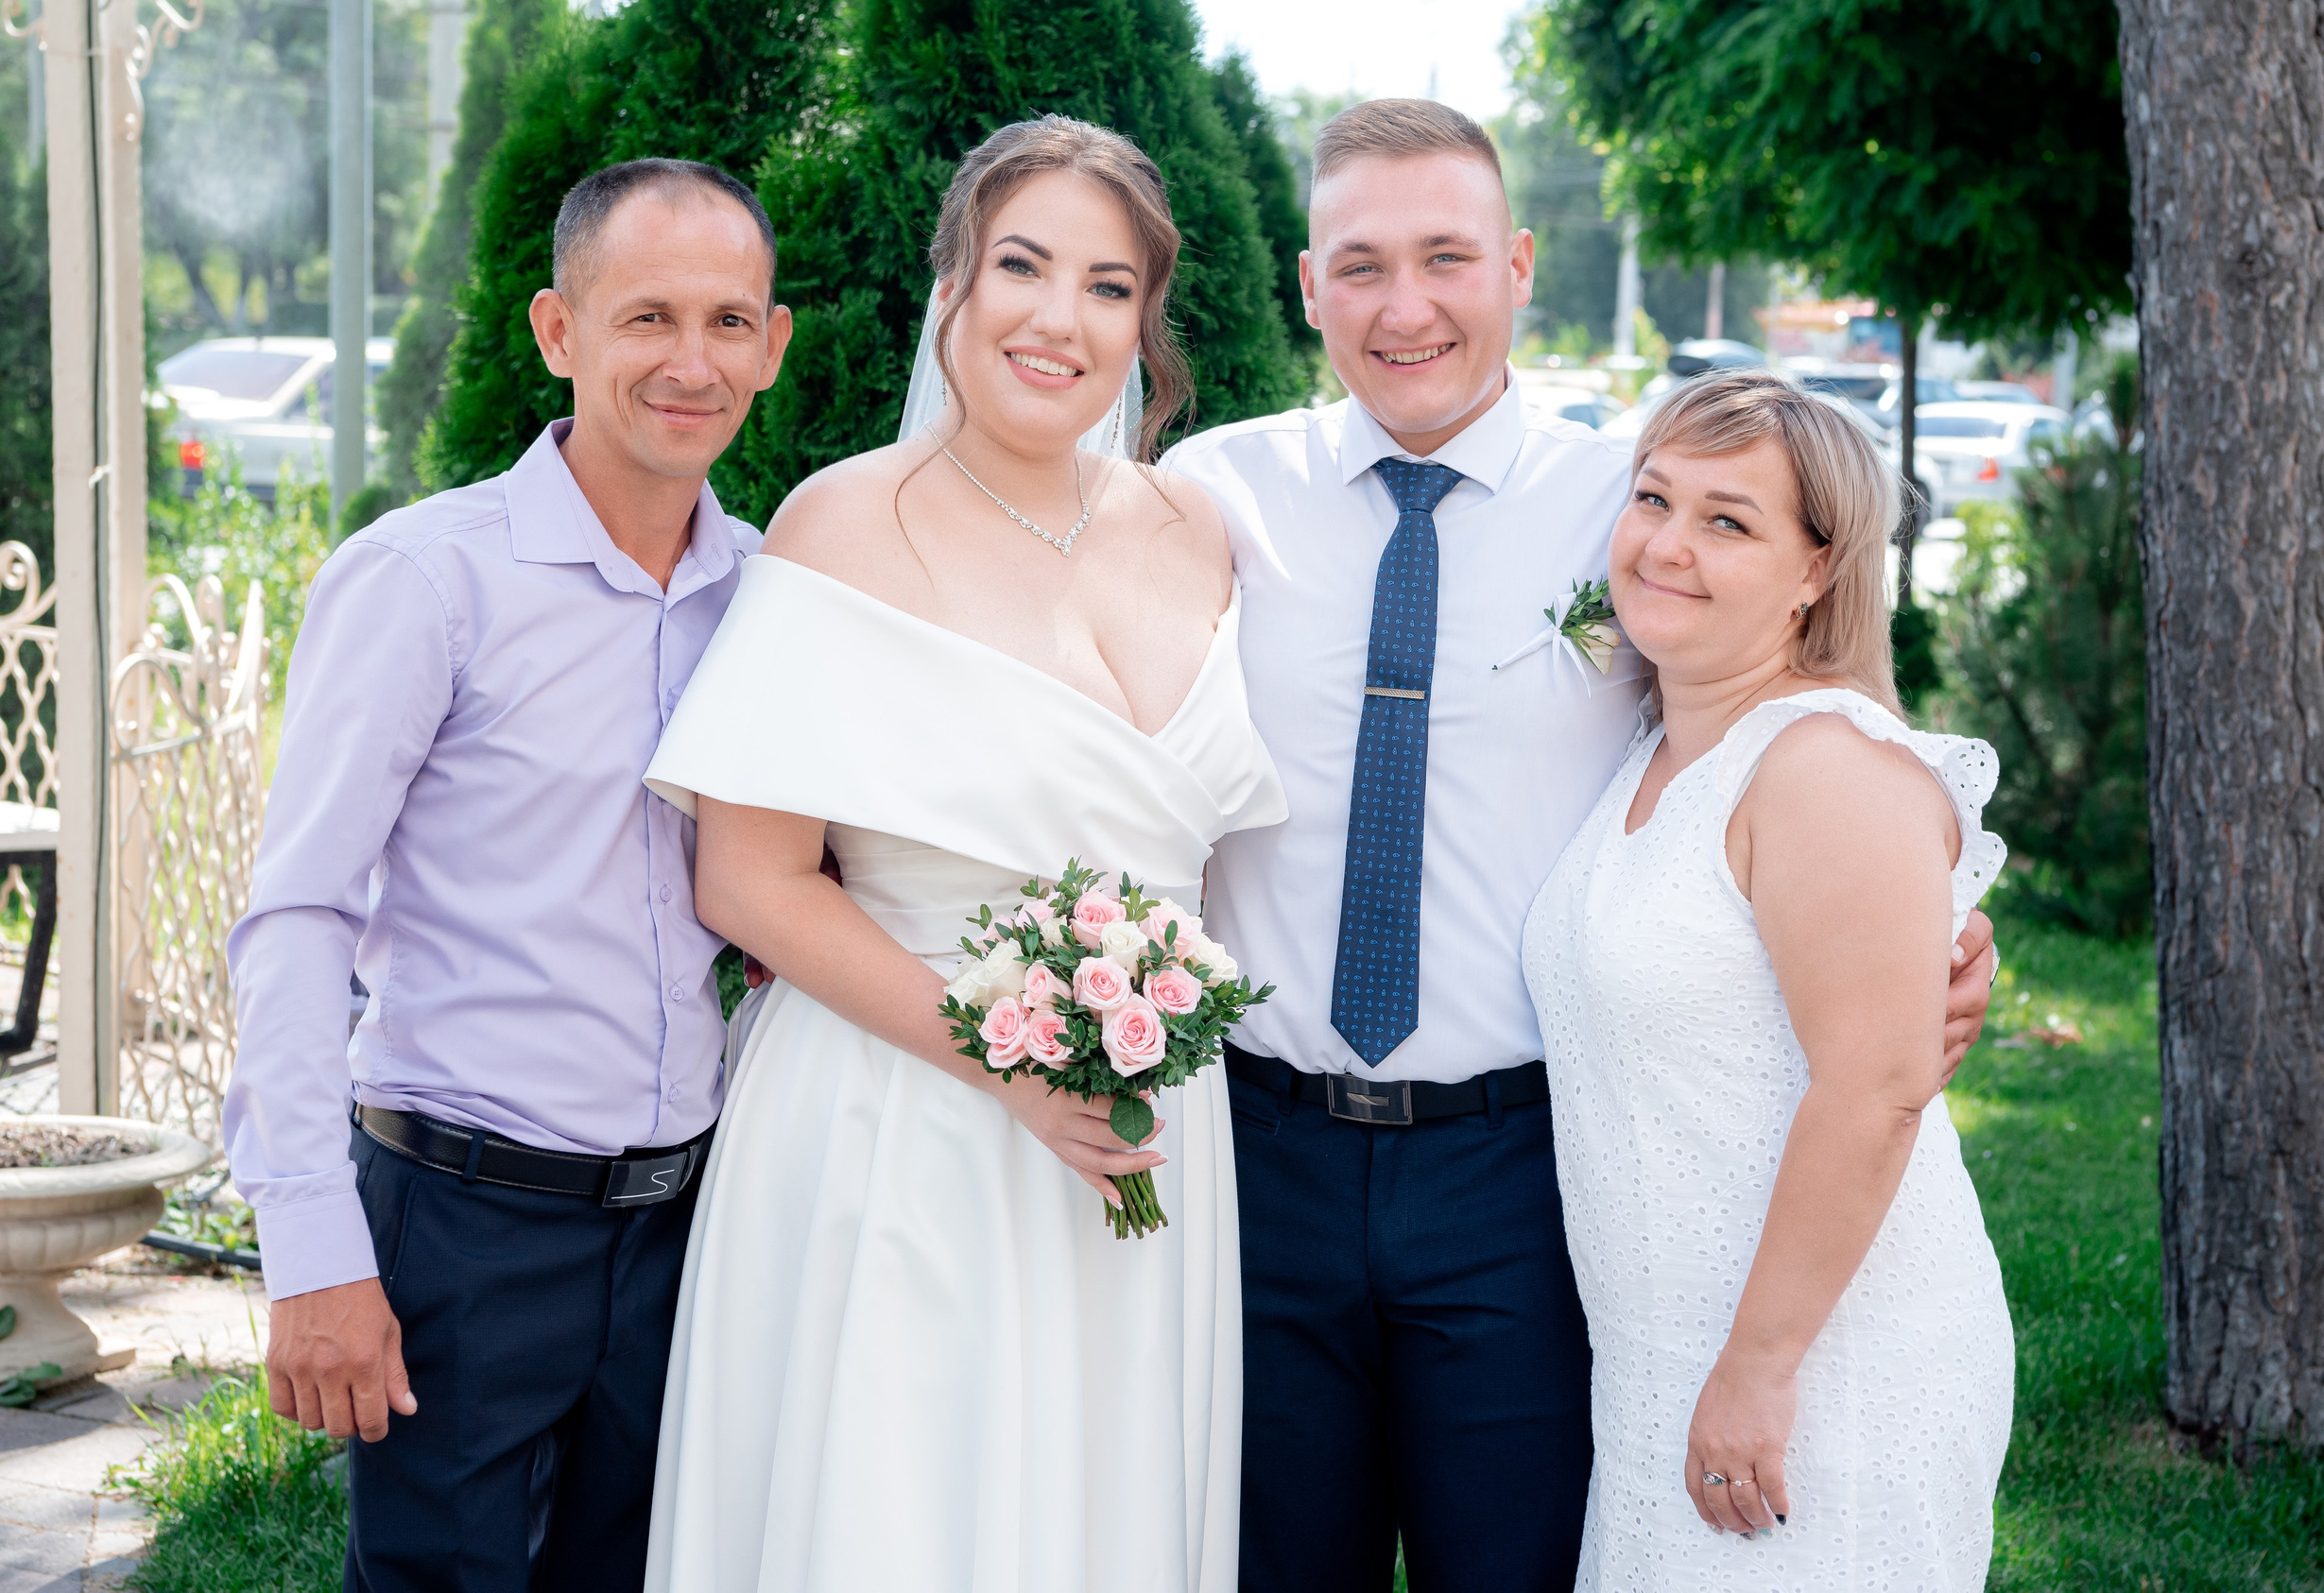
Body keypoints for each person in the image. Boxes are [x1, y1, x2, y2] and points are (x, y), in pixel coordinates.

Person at [1161, 99, 1999, 1593]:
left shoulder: (1638, 500)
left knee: (1527, 1559)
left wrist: (1929, 923)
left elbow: (1812, 699)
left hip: (1522, 1176)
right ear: (1305, 284)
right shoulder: (1205, 499)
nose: (1404, 306)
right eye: (1360, 265)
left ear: (1521, 263)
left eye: (1447, 257)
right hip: (1258, 1153)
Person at [639, 115, 1284, 1593]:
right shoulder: (843, 525)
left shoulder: (1202, 527)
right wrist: (1013, 1070)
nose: (1061, 318)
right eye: (1022, 266)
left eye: (1109, 286)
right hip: (901, 1125)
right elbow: (748, 879)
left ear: (1148, 320)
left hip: (1147, 1142)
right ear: (953, 286)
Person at [222, 158, 792, 1590]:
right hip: (464, 1224)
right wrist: (310, 1247)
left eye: (730, 320)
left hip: (685, 1223)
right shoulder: (429, 579)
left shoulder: (773, 592)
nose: (690, 360)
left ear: (774, 346)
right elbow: (296, 916)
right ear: (558, 331)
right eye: (646, 315)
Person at [1522, 368, 2016, 1588]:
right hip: (1661, 1356)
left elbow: (1875, 1088)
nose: (1669, 545)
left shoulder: (1824, 766)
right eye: (1654, 500)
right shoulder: (1659, 744)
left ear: (1818, 571)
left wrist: (1758, 1363)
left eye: (1728, 520)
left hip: (1820, 1367)